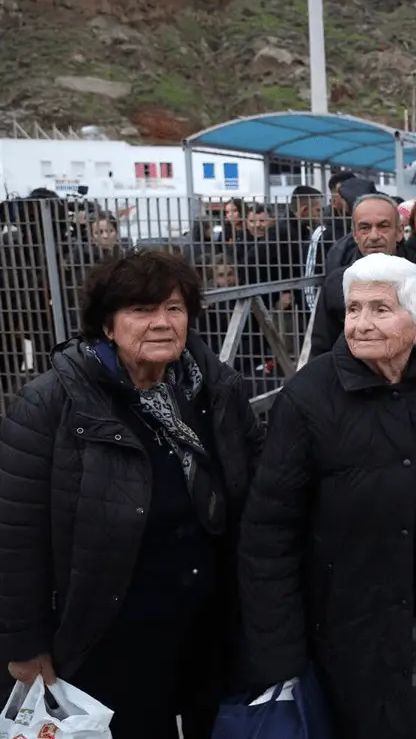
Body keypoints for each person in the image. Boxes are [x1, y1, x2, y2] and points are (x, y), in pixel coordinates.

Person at [239, 254, 416, 739]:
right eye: (354, 309)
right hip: (353, 617)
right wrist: (278, 648)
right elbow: (270, 526)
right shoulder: (309, 396)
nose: (361, 324)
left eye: (380, 309)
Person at [0, 250, 264, 738]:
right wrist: (25, 645)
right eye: (141, 311)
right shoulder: (51, 403)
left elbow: (256, 490)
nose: (161, 323)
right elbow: (16, 536)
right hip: (107, 637)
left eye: (174, 308)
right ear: (107, 325)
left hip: (208, 626)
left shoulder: (216, 391)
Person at [310, 193, 416, 358]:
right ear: (355, 235)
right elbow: (321, 349)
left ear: (400, 232)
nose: (374, 236)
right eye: (364, 227)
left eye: (383, 226)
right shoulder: (336, 284)